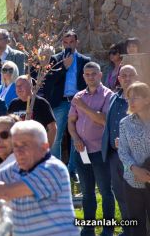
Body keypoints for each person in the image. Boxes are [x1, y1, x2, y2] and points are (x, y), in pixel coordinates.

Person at [68, 62, 115, 236]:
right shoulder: (78, 96)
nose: (90, 77)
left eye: (93, 74)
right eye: (87, 74)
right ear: (83, 77)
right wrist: (76, 138)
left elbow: (103, 120)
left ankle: (108, 229)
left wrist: (83, 107)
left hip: (100, 151)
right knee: (87, 193)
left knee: (105, 192)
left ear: (100, 75)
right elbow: (70, 122)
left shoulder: (108, 95)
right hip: (81, 151)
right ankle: (88, 229)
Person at [43, 30, 90, 177]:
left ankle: (73, 169)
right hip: (60, 102)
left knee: (77, 136)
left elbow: (86, 83)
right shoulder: (55, 60)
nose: (68, 45)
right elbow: (48, 82)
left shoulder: (84, 60)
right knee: (56, 136)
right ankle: (57, 169)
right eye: (65, 42)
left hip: (78, 103)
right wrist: (64, 67)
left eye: (71, 42)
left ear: (77, 42)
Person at [101, 65, 139, 236]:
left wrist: (126, 141)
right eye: (123, 75)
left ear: (137, 77)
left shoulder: (143, 99)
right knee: (120, 194)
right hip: (113, 156)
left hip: (134, 157)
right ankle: (127, 228)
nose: (126, 78)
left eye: (130, 75)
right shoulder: (113, 98)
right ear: (118, 78)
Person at [118, 82, 150, 236]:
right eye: (128, 98)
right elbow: (123, 152)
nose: (130, 102)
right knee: (137, 227)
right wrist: (135, 169)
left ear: (147, 99)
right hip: (132, 181)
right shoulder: (124, 123)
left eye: (135, 98)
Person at [8, 75, 57, 146]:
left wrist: (47, 148)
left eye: (21, 85)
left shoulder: (41, 103)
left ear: (31, 86)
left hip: (36, 146)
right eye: (17, 86)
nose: (18, 88)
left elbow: (52, 128)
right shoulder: (13, 104)